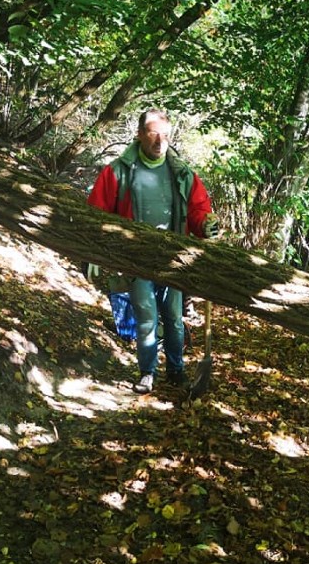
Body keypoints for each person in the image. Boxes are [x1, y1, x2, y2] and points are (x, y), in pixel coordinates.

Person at [87, 108, 218, 394]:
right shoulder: (118, 172)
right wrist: (94, 253)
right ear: (139, 135)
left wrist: (205, 224)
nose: (160, 141)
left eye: (166, 135)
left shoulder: (182, 174)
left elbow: (197, 210)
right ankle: (147, 372)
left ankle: (176, 370)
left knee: (173, 317)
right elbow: (95, 213)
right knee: (146, 315)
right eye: (153, 134)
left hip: (173, 259)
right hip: (135, 259)